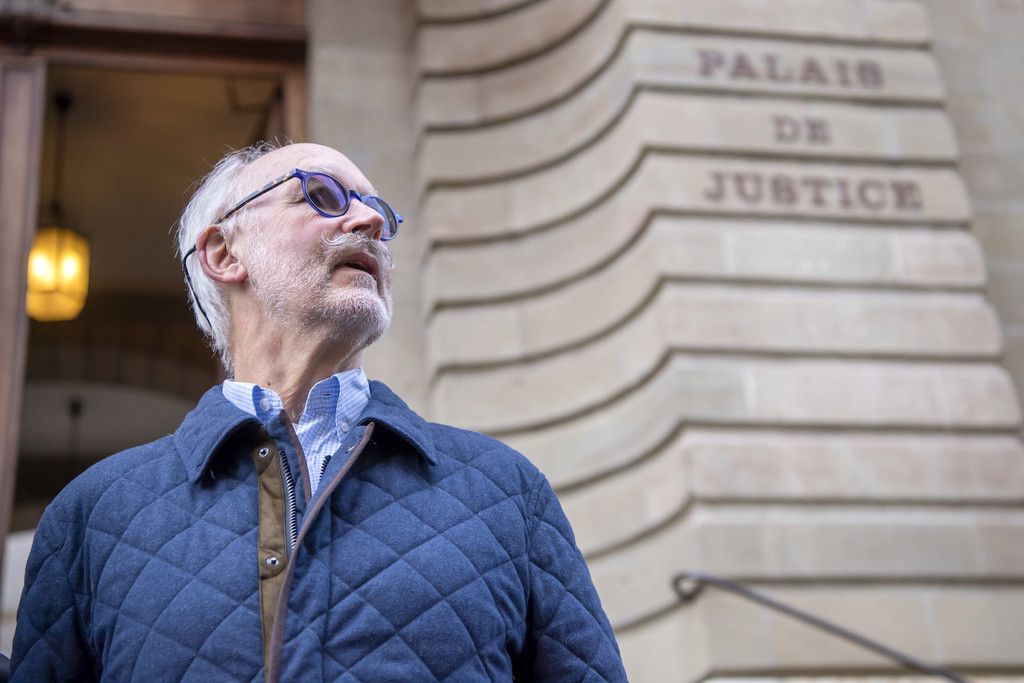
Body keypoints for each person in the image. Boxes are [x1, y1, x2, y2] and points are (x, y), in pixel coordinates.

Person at [11, 142, 627, 681]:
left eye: (380, 213)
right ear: (224, 252)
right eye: (323, 196)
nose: (368, 223)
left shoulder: (504, 491)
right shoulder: (93, 516)